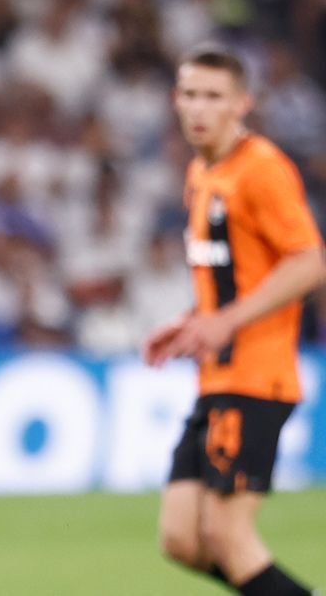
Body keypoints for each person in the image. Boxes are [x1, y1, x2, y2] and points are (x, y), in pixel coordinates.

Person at [143, 46, 326, 596]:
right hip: (217, 377)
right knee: (180, 538)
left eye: (214, 96)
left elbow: (308, 261)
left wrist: (226, 324)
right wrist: (193, 320)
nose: (200, 107)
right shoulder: (202, 172)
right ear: (176, 100)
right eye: (191, 94)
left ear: (242, 104)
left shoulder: (262, 169)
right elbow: (236, 278)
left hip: (256, 376)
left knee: (227, 535)